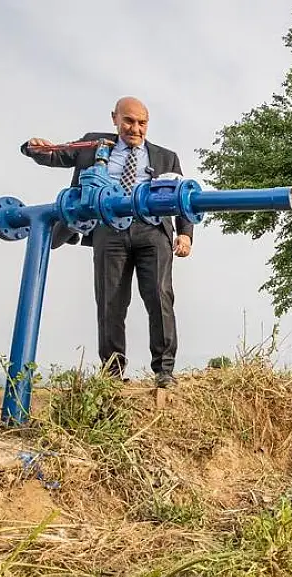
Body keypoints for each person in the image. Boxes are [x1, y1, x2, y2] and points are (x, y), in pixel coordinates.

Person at [20, 96, 191, 388]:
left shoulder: (166, 156)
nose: (135, 128)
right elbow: (57, 154)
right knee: (110, 301)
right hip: (108, 230)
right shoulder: (94, 144)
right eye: (129, 121)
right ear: (115, 118)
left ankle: (164, 370)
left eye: (141, 123)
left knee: (159, 296)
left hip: (152, 231)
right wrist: (34, 148)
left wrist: (185, 233)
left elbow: (181, 194)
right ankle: (112, 374)